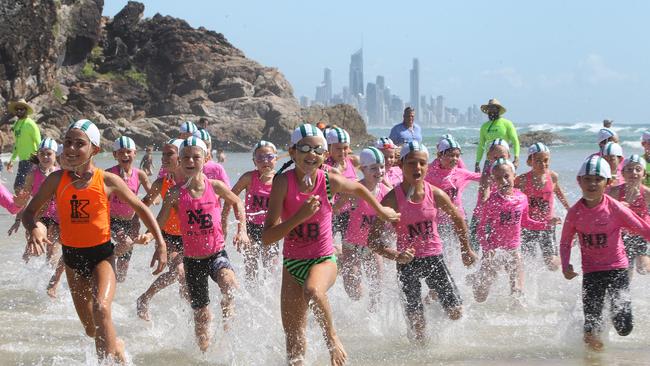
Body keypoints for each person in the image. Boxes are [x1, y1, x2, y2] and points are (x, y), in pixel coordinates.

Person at [21, 119, 167, 363]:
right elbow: (29, 211)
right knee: (91, 329)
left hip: (102, 256)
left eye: (80, 144)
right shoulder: (57, 180)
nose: (71, 148)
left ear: (94, 150)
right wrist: (34, 227)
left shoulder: (107, 181)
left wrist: (160, 244)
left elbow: (142, 209)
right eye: (67, 142)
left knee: (101, 308)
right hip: (72, 259)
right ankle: (117, 346)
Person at [262, 124, 399, 366]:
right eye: (304, 148)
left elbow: (358, 188)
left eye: (317, 149)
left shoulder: (328, 181)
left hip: (323, 259)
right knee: (293, 343)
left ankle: (332, 338)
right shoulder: (282, 183)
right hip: (292, 264)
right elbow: (267, 236)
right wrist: (298, 218)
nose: (311, 154)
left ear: (325, 155)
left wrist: (382, 211)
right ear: (293, 152)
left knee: (314, 291)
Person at [369, 141, 476, 344]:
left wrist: (466, 249)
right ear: (401, 166)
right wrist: (395, 255)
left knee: (456, 312)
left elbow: (458, 218)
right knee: (417, 325)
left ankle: (437, 316)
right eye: (411, 163)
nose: (417, 168)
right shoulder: (392, 200)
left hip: (434, 258)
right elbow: (372, 240)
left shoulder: (435, 193)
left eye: (422, 163)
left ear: (427, 166)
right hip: (406, 264)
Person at [149, 136, 249, 351]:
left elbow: (237, 201)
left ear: (206, 158)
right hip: (193, 260)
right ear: (179, 161)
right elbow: (161, 221)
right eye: (185, 157)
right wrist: (155, 241)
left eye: (196, 157)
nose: (191, 161)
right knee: (201, 316)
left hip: (216, 254)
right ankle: (204, 354)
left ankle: (228, 334)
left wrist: (242, 230)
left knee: (230, 286)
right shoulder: (175, 193)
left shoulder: (216, 186)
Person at [560, 156, 650, 351]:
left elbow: (643, 228)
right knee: (591, 328)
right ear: (579, 181)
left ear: (608, 183)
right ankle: (595, 357)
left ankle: (610, 314)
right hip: (592, 272)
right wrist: (566, 265)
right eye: (587, 179)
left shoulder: (615, 208)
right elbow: (565, 241)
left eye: (598, 179)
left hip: (617, 269)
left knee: (624, 327)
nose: (592, 183)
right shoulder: (575, 212)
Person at [470, 158, 559, 305]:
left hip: (514, 250)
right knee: (480, 297)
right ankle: (477, 279)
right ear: (493, 181)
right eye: (498, 178)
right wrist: (487, 248)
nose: (504, 181)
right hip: (495, 251)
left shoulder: (522, 198)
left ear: (514, 176)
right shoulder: (491, 201)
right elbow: (480, 229)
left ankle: (518, 321)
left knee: (517, 291)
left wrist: (545, 224)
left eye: (506, 176)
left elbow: (525, 222)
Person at [136, 139, 188, 321]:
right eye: (163, 154)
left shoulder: (195, 181)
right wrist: (140, 226)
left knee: (185, 279)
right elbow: (144, 205)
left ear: (181, 156)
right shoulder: (161, 183)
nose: (163, 158)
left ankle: (187, 314)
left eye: (169, 154)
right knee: (178, 272)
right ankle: (144, 298)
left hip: (192, 237)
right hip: (168, 236)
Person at [339, 147, 391, 311]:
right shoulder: (354, 190)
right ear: (362, 169)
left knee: (378, 292)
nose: (380, 171)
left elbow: (397, 220)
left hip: (373, 247)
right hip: (351, 246)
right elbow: (334, 209)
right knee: (355, 292)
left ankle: (372, 322)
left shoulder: (387, 193)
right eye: (374, 168)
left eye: (382, 167)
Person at [227, 140, 280, 285]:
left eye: (269, 157)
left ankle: (272, 302)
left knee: (271, 270)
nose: (265, 161)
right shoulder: (249, 178)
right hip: (250, 228)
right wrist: (226, 223)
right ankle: (252, 296)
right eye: (260, 158)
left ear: (276, 158)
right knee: (251, 269)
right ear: (254, 161)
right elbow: (230, 198)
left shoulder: (281, 180)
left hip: (272, 229)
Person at [514, 143, 570, 270]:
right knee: (527, 261)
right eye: (538, 161)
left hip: (547, 225)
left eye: (545, 160)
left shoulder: (553, 177)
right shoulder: (522, 180)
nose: (542, 164)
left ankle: (565, 256)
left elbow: (559, 193)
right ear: (529, 161)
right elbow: (509, 195)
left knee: (552, 265)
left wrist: (570, 209)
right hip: (527, 225)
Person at [107, 136, 152, 282]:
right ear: (114, 155)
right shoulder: (108, 174)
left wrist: (139, 214)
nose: (125, 155)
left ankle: (117, 297)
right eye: (120, 152)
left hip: (130, 222)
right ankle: (105, 259)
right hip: (112, 220)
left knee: (122, 272)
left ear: (135, 153)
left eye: (128, 152)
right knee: (125, 243)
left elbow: (154, 196)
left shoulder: (139, 174)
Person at [425, 137, 481, 238]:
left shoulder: (460, 173)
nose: (455, 159)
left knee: (464, 245)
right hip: (438, 219)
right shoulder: (429, 173)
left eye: (457, 156)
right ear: (439, 155)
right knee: (443, 248)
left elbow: (481, 177)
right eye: (451, 155)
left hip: (459, 216)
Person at [607, 155, 650, 275]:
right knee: (625, 270)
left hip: (642, 233)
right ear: (623, 174)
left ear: (644, 174)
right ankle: (626, 293)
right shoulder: (614, 192)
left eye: (638, 169)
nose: (634, 172)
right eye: (629, 169)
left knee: (643, 268)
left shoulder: (647, 193)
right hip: (621, 234)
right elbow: (604, 214)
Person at [475, 99, 520, 172]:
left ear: (498, 109)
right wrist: (477, 163)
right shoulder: (484, 126)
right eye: (489, 108)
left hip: (504, 160)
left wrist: (516, 158)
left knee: (505, 182)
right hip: (489, 161)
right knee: (485, 182)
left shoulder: (507, 123)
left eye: (494, 108)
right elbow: (481, 145)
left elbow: (515, 141)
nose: (491, 110)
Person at [6, 99, 41, 190]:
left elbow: (38, 142)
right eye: (17, 109)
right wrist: (12, 160)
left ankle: (26, 204)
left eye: (22, 109)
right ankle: (26, 204)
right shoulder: (16, 125)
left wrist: (39, 158)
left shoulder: (30, 124)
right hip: (22, 160)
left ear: (26, 110)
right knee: (23, 188)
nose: (19, 111)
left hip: (31, 159)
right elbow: (17, 144)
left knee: (20, 186)